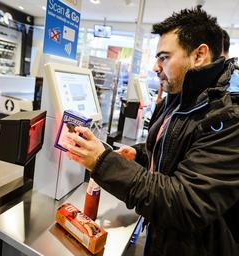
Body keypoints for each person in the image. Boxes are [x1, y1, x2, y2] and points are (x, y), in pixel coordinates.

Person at [64, 6, 239, 256]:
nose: (156, 67)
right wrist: (140, 155)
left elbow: (187, 203)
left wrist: (104, 163)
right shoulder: (180, 95)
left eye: (164, 57)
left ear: (199, 55)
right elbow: (177, 149)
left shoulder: (228, 115)